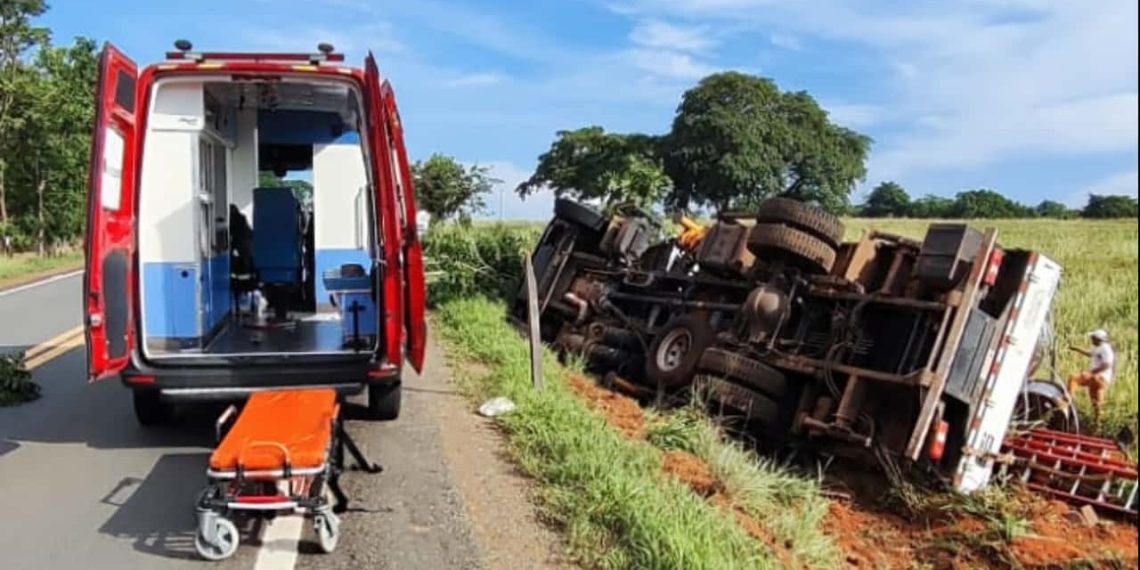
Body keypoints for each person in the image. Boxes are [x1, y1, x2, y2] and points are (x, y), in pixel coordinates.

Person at [1067, 329, 1116, 425]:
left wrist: (1091, 373)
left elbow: (1107, 365)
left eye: (1093, 337)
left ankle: (1069, 401)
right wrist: (1076, 348)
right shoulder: (1098, 347)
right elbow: (1090, 354)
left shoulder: (1106, 349)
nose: (1091, 339)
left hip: (1100, 378)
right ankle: (1097, 424)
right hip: (1102, 380)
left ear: (1098, 339)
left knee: (1074, 379)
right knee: (1096, 403)